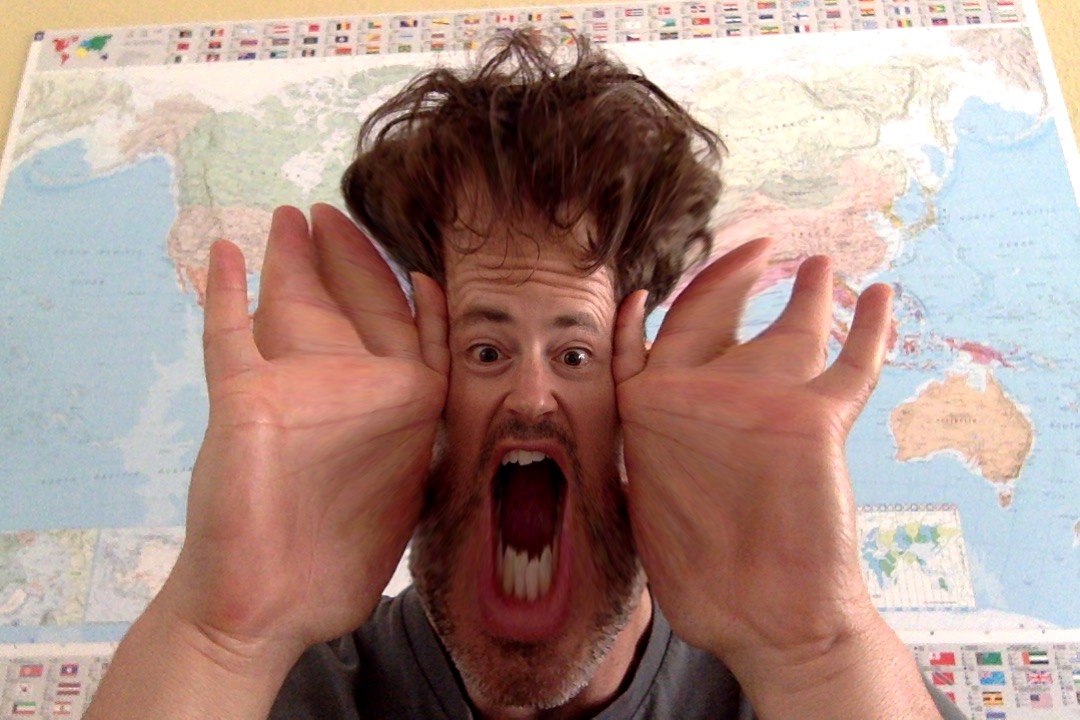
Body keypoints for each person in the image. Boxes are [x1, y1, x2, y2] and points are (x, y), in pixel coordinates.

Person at [86, 32, 962, 719]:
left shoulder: (810, 681)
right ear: (423, 409)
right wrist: (221, 636)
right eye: (486, 352)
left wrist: (817, 654)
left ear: (637, 407)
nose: (534, 398)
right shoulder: (262, 687)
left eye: (576, 355)